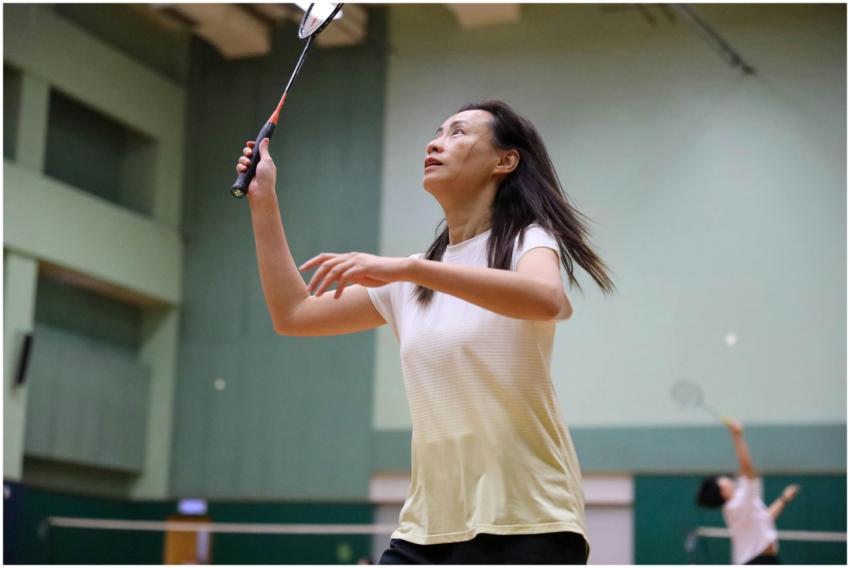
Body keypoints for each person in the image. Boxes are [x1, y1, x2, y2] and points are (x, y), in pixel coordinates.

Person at [235, 100, 614, 564]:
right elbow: (293, 314)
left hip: (528, 521)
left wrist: (413, 268)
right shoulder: (411, 283)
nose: (436, 142)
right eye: (437, 132)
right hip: (427, 529)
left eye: (458, 133)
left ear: (505, 161)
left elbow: (547, 299)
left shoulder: (526, 240)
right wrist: (264, 201)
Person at [696, 419, 801, 564]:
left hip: (769, 560)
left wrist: (784, 498)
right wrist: (737, 436)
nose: (727, 479)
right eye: (723, 480)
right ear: (722, 492)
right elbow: (748, 469)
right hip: (754, 562)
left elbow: (765, 518)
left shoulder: (742, 503)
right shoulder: (735, 506)